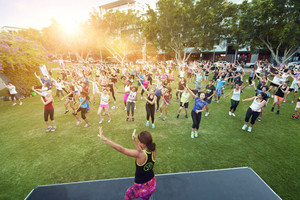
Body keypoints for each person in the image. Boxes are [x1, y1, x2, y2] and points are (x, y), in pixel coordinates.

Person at [98, 128, 156, 200]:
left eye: (139, 141)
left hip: (141, 188)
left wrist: (104, 139)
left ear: (143, 143)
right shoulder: (153, 149)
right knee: (146, 197)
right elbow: (141, 149)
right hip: (152, 184)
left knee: (128, 196)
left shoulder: (140, 155)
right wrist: (134, 140)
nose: (138, 142)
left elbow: (122, 149)